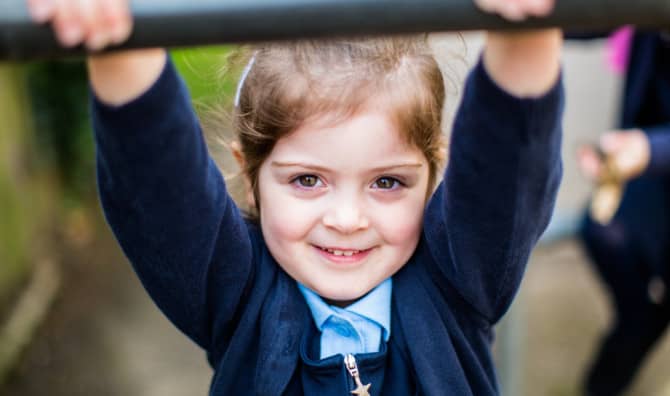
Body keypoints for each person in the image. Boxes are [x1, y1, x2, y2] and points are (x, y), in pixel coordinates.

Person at [28, 0, 563, 393]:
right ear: (250, 176)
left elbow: (509, 166)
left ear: (433, 172)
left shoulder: (458, 281)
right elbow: (158, 184)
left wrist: (526, 29)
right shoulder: (236, 293)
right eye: (307, 180)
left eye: (387, 182)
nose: (348, 219)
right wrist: (115, 37)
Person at [576, 28, 670, 396]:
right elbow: (582, 16)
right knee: (601, 229)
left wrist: (649, 149)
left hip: (652, 156)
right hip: (649, 181)